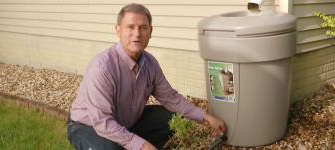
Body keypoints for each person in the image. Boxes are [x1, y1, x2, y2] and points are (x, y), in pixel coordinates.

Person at [67, 3, 226, 150]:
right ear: (118, 30)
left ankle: (129, 143)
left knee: (171, 119)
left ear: (150, 31)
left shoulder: (150, 63)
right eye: (130, 27)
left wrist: (206, 117)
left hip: (127, 123)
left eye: (143, 27)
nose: (137, 34)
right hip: (87, 126)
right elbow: (102, 123)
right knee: (107, 147)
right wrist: (141, 144)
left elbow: (171, 98)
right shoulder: (101, 68)